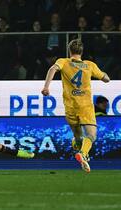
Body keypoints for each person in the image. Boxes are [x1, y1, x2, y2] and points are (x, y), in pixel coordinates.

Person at [41, 39, 110, 173]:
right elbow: (105, 79)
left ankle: (79, 149)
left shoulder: (63, 61)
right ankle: (83, 154)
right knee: (91, 136)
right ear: (81, 52)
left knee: (78, 137)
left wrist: (46, 87)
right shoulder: (89, 65)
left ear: (69, 51)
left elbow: (52, 69)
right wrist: (105, 76)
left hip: (70, 106)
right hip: (85, 106)